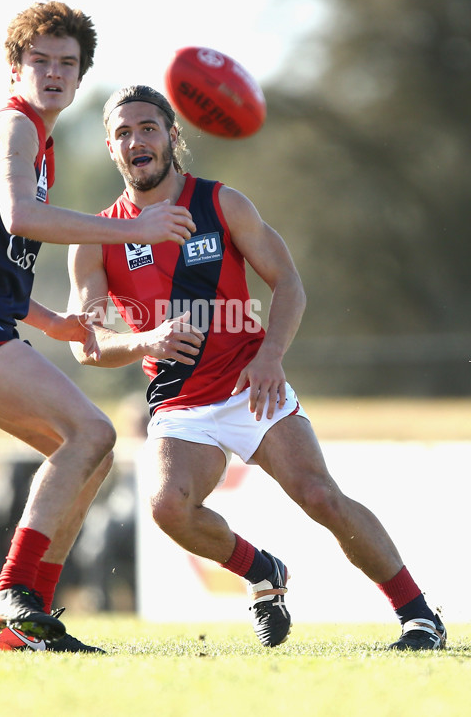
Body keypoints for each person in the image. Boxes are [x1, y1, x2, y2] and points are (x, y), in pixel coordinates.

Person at [67, 84, 446, 651]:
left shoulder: (222, 204)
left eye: (148, 127)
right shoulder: (96, 238)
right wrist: (149, 339)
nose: (136, 140)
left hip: (251, 386)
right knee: (170, 509)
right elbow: (86, 344)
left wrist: (271, 357)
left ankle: (420, 617)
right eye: (123, 133)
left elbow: (288, 282)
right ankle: (263, 572)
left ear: (173, 136)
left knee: (321, 497)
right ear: (110, 148)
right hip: (179, 404)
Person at [0, 7, 195, 654]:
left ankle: (28, 621)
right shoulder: (14, 127)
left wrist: (53, 320)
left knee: (90, 455)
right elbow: (21, 216)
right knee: (91, 431)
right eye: (42, 61)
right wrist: (132, 229)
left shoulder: (41, 142)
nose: (55, 73)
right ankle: (12, 592)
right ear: (16, 69)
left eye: (67, 63)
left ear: (81, 74)